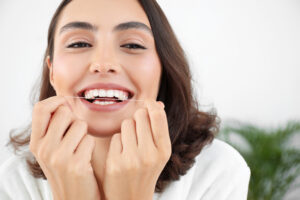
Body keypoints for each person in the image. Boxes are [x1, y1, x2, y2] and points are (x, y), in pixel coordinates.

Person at [0, 0, 250, 199]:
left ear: (162, 69)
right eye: (78, 43)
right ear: (52, 71)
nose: (104, 63)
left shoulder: (218, 172)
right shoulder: (12, 181)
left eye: (132, 45)